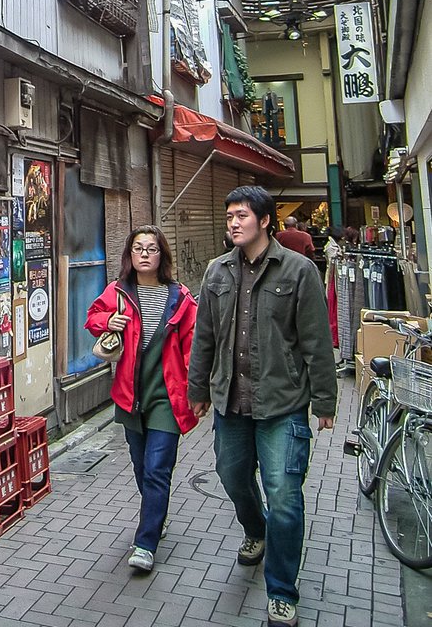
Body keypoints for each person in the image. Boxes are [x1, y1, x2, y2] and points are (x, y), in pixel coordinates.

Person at [188, 186, 337, 627]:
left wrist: (325, 400)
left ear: (266, 220)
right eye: (229, 215)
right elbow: (205, 340)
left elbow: (316, 341)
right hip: (230, 403)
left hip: (283, 404)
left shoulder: (299, 271)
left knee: (286, 498)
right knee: (232, 476)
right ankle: (256, 530)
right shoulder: (216, 273)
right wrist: (197, 391)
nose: (233, 222)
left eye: (241, 215)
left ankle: (282, 592)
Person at [86, 225, 198, 574]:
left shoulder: (180, 297)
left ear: (162, 255)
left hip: (167, 394)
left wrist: (198, 389)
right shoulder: (118, 292)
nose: (145, 253)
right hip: (131, 394)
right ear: (130, 256)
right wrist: (109, 320)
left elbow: (194, 344)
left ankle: (146, 542)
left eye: (152, 248)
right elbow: (91, 318)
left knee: (156, 468)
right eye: (138, 248)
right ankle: (157, 513)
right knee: (139, 464)